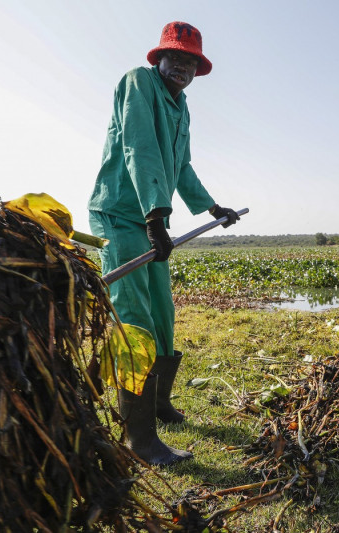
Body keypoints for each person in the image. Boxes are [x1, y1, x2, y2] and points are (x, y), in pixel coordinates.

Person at [87, 21, 239, 466]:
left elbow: (181, 165)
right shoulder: (138, 83)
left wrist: (212, 208)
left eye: (191, 62)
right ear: (160, 58)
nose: (183, 68)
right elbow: (140, 148)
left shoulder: (181, 106)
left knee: (164, 317)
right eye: (176, 58)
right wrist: (156, 215)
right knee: (135, 321)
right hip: (121, 215)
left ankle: (158, 405)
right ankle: (141, 439)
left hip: (153, 221)